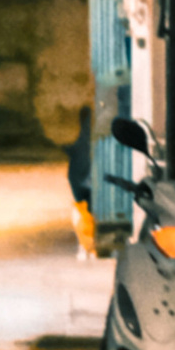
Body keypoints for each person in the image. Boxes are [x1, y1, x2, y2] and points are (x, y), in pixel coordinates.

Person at [66, 106, 99, 257]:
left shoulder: (82, 134)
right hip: (87, 178)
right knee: (90, 212)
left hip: (79, 178)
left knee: (83, 212)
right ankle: (89, 245)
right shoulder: (94, 132)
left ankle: (86, 245)